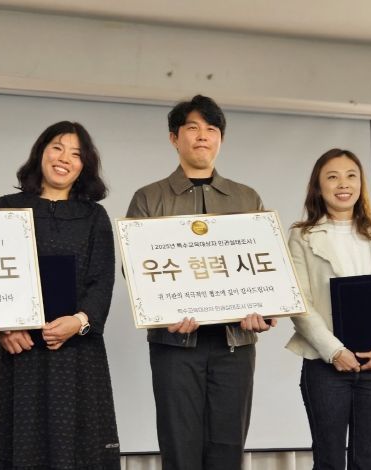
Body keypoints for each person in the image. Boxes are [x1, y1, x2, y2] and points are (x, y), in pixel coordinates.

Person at [126, 94, 275, 470]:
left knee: (228, 447)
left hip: (235, 343)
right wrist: (164, 313)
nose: (202, 136)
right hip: (174, 344)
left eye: (211, 129)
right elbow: (136, 270)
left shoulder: (247, 197)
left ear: (220, 139)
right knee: (180, 447)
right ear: (174, 138)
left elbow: (266, 265)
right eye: (192, 128)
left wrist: (267, 311)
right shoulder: (149, 198)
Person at [0, 121, 120, 469]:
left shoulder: (94, 216)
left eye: (76, 153)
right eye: (57, 147)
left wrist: (79, 321)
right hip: (19, 348)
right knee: (19, 443)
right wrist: (5, 328)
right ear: (41, 152)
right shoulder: (8, 206)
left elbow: (102, 280)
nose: (64, 158)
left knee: (78, 445)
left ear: (84, 165)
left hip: (76, 351)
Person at [286, 148, 371, 469]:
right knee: (328, 460)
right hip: (325, 365)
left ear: (360, 184)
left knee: (368, 460)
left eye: (351, 176)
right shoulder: (301, 236)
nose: (343, 183)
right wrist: (334, 351)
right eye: (332, 177)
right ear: (318, 187)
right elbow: (299, 302)